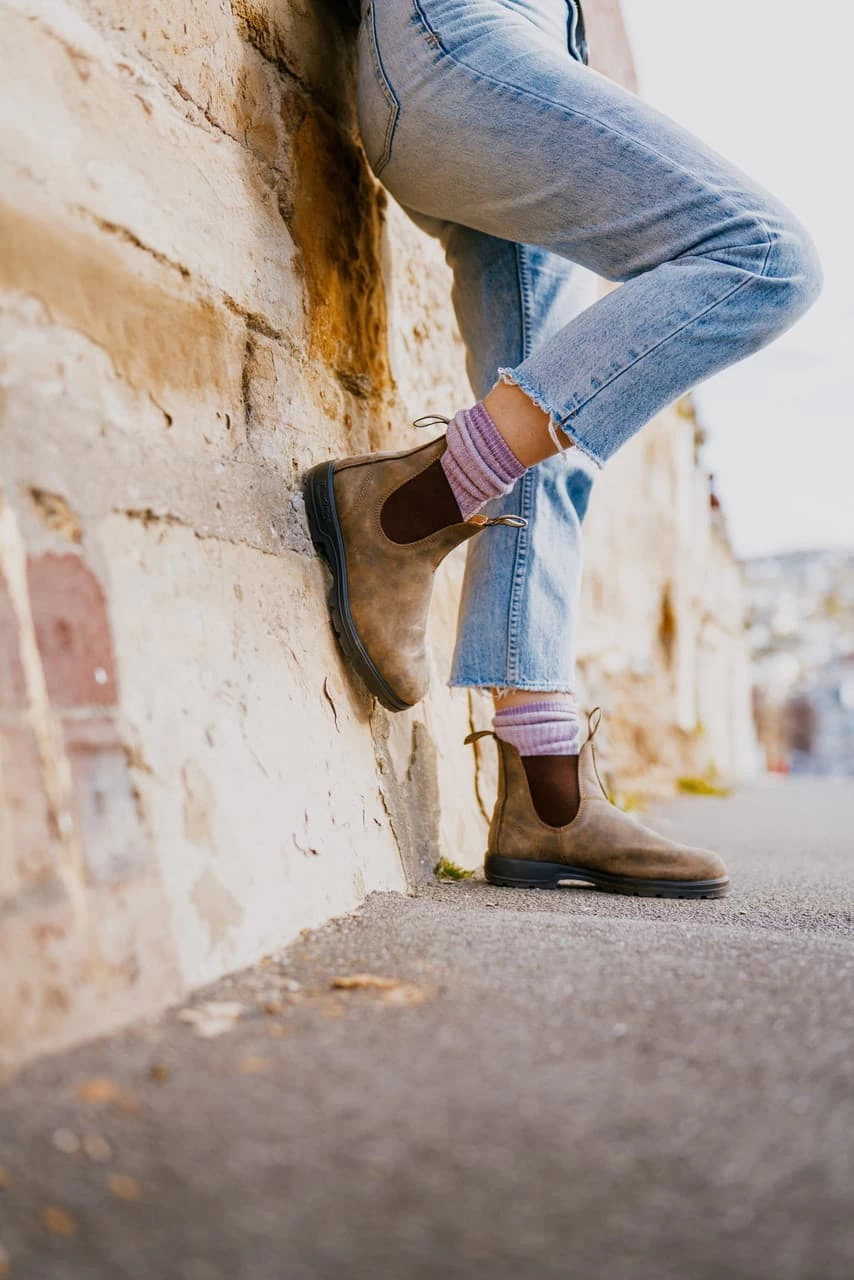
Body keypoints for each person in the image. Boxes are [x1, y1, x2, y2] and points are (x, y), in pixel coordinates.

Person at [304, 0, 822, 899]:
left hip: (530, 54)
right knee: (766, 256)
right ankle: (408, 507)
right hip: (458, 38)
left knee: (551, 423)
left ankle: (546, 797)